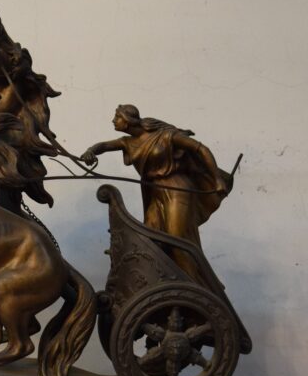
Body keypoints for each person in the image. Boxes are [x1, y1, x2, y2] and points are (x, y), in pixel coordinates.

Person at [80, 105, 231, 281]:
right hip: (155, 194)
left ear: (128, 120)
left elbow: (201, 149)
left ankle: (195, 284)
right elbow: (104, 146)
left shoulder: (165, 136)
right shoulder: (126, 142)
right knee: (151, 239)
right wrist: (91, 151)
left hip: (177, 189)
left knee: (177, 238)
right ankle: (165, 281)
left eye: (117, 117)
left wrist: (217, 179)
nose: (113, 121)